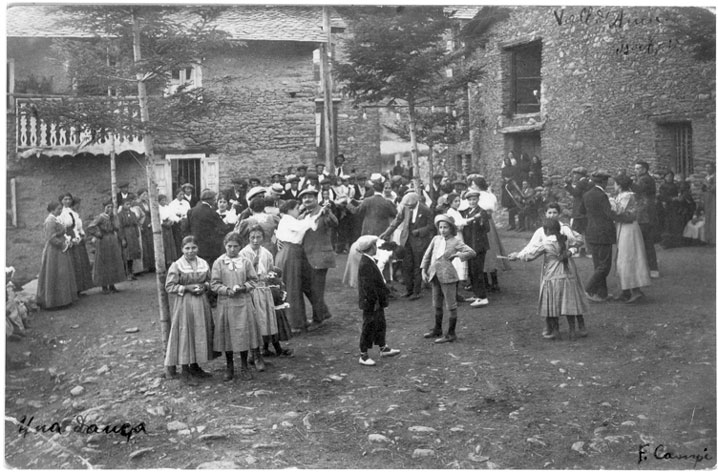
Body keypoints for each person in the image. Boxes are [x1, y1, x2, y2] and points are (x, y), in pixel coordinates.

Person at [508, 219, 589, 340]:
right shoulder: (565, 239)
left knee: (553, 305)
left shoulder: (545, 243)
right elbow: (578, 240)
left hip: (551, 277)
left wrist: (517, 256)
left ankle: (556, 332)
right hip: (567, 275)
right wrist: (570, 235)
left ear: (546, 231)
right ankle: (572, 331)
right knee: (569, 303)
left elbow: (530, 255)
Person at [163, 236, 213, 385]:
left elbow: (211, 281)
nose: (190, 251)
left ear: (197, 248)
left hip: (201, 302)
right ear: (182, 249)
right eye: (187, 248)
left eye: (193, 248)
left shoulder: (203, 263)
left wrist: (205, 286)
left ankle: (195, 366)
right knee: (186, 333)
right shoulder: (177, 265)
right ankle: (185, 371)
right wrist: (186, 288)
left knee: (198, 332)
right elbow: (169, 286)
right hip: (185, 303)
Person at [211, 232, 260, 381]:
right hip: (226, 303)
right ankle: (229, 366)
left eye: (236, 246)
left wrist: (244, 287)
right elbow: (214, 284)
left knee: (243, 333)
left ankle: (244, 365)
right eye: (229, 246)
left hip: (243, 302)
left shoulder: (245, 262)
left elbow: (253, 280)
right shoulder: (219, 262)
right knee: (228, 335)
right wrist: (226, 290)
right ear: (225, 246)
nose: (232, 249)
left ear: (240, 246)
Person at [420, 215, 476, 343]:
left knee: (451, 305)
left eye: (445, 227)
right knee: (436, 304)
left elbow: (472, 252)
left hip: (448, 276)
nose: (443, 230)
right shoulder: (436, 239)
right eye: (440, 227)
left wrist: (458, 255)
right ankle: (437, 329)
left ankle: (451, 333)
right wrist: (423, 269)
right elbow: (427, 255)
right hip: (434, 275)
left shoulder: (456, 241)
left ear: (451, 228)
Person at [354, 235, 401, 366]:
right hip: (370, 302)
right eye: (374, 245)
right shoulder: (365, 264)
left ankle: (383, 347)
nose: (377, 247)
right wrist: (374, 302)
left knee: (380, 323)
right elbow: (367, 286)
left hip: (376, 301)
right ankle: (363, 355)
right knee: (368, 326)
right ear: (370, 248)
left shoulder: (370, 260)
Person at [274, 199, 320, 332]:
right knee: (292, 286)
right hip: (290, 253)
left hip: (290, 253)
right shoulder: (288, 220)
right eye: (296, 209)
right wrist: (317, 215)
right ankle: (293, 323)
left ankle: (297, 320)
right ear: (289, 210)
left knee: (293, 286)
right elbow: (302, 226)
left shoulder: (288, 220)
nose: (298, 211)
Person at [379, 191, 434, 300]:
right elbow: (397, 220)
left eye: (410, 206)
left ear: (416, 202)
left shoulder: (426, 210)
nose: (408, 207)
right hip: (406, 240)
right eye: (407, 206)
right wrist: (387, 233)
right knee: (406, 265)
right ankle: (409, 290)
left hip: (419, 241)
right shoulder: (405, 207)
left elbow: (431, 226)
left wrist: (419, 231)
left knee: (418, 266)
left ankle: (416, 292)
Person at [239, 225, 279, 372]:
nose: (255, 240)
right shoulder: (243, 253)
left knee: (265, 319)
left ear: (263, 237)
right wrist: (254, 267)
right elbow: (242, 274)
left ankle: (264, 348)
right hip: (251, 290)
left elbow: (270, 269)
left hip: (264, 289)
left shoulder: (267, 253)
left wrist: (271, 276)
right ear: (248, 238)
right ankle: (253, 354)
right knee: (253, 320)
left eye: (258, 237)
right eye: (252, 237)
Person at [299, 186, 339, 331]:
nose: (307, 200)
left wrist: (327, 212)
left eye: (310, 197)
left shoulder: (323, 212)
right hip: (306, 257)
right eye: (304, 198)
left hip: (320, 256)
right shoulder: (302, 214)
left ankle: (318, 319)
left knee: (316, 289)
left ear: (316, 199)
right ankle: (324, 312)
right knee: (305, 286)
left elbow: (334, 223)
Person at [610, 174, 651, 303]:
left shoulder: (627, 195)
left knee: (629, 257)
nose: (614, 186)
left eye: (615, 184)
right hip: (623, 227)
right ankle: (625, 290)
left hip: (629, 229)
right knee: (622, 257)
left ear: (620, 185)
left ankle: (635, 291)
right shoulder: (622, 196)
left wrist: (609, 203)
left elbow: (619, 212)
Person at [37, 202, 79, 309]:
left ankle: (63, 300)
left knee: (62, 274)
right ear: (52, 210)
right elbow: (50, 237)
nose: (60, 211)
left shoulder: (56, 219)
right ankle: (54, 302)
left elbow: (60, 233)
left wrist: (67, 240)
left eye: (60, 209)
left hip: (60, 251)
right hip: (54, 251)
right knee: (55, 274)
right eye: (58, 209)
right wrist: (62, 244)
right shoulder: (50, 221)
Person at [582, 170, 616, 302]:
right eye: (606, 181)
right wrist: (625, 217)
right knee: (604, 266)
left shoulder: (586, 195)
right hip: (603, 233)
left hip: (592, 232)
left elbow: (582, 212)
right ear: (604, 182)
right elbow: (609, 214)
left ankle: (602, 294)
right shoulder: (602, 196)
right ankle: (589, 288)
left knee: (598, 264)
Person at [58, 193, 93, 295]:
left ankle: (79, 288)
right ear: (61, 201)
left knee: (79, 263)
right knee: (72, 263)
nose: (68, 201)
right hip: (68, 237)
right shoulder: (61, 213)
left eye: (69, 199)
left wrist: (80, 234)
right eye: (65, 199)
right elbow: (62, 228)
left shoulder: (73, 212)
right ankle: (72, 290)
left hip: (75, 237)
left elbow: (76, 226)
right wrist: (68, 239)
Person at [86, 201, 126, 294]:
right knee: (104, 262)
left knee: (113, 261)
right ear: (104, 208)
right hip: (103, 240)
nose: (110, 209)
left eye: (111, 207)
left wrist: (122, 239)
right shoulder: (100, 217)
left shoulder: (114, 217)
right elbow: (90, 227)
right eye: (108, 207)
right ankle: (104, 286)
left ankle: (112, 285)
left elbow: (118, 228)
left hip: (112, 239)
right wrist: (97, 234)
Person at [186, 189, 231, 268]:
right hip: (210, 246)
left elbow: (187, 227)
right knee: (209, 266)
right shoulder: (212, 212)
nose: (215, 201)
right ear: (210, 200)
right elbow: (223, 228)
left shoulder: (191, 211)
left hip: (195, 243)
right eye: (214, 199)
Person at [461, 189, 491, 307]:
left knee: (477, 271)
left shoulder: (482, 212)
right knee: (471, 271)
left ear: (478, 200)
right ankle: (476, 293)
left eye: (474, 199)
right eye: (470, 200)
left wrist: (481, 221)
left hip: (478, 246)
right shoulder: (467, 211)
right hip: (469, 246)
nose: (472, 202)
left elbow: (487, 228)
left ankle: (482, 297)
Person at [631, 161, 659, 278]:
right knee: (646, 242)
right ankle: (650, 267)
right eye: (635, 169)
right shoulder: (644, 178)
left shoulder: (645, 179)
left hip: (645, 215)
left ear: (644, 169)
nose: (636, 171)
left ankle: (652, 268)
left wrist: (629, 183)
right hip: (645, 214)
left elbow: (639, 190)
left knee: (646, 242)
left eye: (638, 169)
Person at [263, 267, 294, 358]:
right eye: (269, 275)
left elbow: (283, 295)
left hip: (276, 310)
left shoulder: (280, 284)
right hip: (266, 311)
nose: (271, 277)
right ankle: (265, 348)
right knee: (266, 330)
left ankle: (278, 349)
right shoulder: (264, 284)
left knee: (275, 330)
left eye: (274, 275)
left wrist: (277, 297)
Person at [564, 167, 593, 257]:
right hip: (585, 211)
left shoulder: (581, 182)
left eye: (576, 174)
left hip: (579, 211)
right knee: (586, 232)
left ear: (581, 175)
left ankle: (577, 251)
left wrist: (567, 186)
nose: (574, 176)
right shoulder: (587, 182)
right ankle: (587, 251)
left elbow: (576, 193)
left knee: (576, 232)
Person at [117, 195, 142, 280]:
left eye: (129, 204)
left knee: (132, 254)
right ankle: (127, 273)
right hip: (126, 234)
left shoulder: (132, 213)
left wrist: (137, 235)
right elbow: (120, 227)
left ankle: (131, 272)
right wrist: (123, 239)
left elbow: (136, 224)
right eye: (127, 204)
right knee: (126, 255)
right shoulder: (120, 215)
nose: (128, 206)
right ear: (123, 205)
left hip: (133, 235)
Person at [136, 189, 155, 273]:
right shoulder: (136, 204)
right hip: (142, 224)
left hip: (149, 224)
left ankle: (152, 265)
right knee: (144, 245)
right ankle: (145, 266)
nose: (145, 196)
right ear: (139, 195)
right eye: (143, 195)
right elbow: (136, 216)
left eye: (146, 195)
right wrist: (140, 225)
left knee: (150, 244)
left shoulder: (148, 203)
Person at [158, 194, 179, 268]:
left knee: (170, 243)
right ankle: (164, 261)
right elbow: (158, 218)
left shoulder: (168, 207)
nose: (164, 202)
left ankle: (170, 260)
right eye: (162, 200)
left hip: (169, 226)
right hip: (162, 227)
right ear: (159, 201)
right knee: (164, 243)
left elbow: (171, 215)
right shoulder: (158, 208)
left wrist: (171, 221)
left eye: (165, 200)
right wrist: (163, 223)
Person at [501, 155, 520, 230]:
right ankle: (511, 224)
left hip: (512, 185)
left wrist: (510, 179)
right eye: (505, 161)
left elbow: (515, 175)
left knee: (513, 202)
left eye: (508, 161)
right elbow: (502, 176)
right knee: (507, 201)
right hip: (506, 186)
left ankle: (515, 223)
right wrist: (505, 179)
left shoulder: (514, 168)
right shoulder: (504, 169)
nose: (507, 162)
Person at [703, 162, 716, 245]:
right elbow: (703, 188)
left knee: (713, 217)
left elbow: (714, 188)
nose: (707, 169)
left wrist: (708, 185)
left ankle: (714, 239)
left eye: (709, 167)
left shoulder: (715, 177)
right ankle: (708, 239)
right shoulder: (706, 177)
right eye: (706, 167)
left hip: (714, 198)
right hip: (707, 198)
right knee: (707, 217)